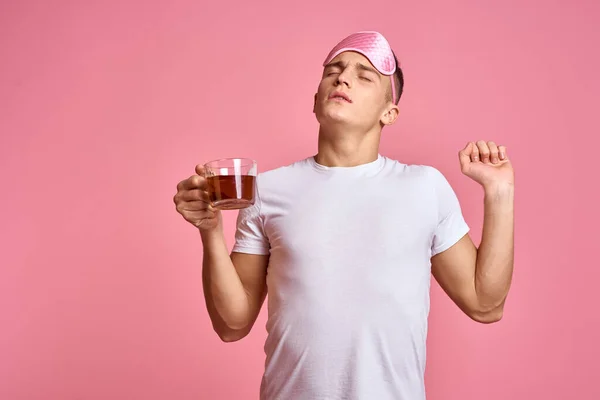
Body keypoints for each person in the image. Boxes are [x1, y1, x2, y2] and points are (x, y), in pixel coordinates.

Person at [173, 31, 515, 400]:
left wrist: (499, 193)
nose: (343, 77)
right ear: (315, 102)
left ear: (390, 112)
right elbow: (232, 325)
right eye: (333, 70)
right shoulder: (266, 191)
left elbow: (485, 305)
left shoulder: (424, 188)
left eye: (365, 75)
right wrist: (210, 231)